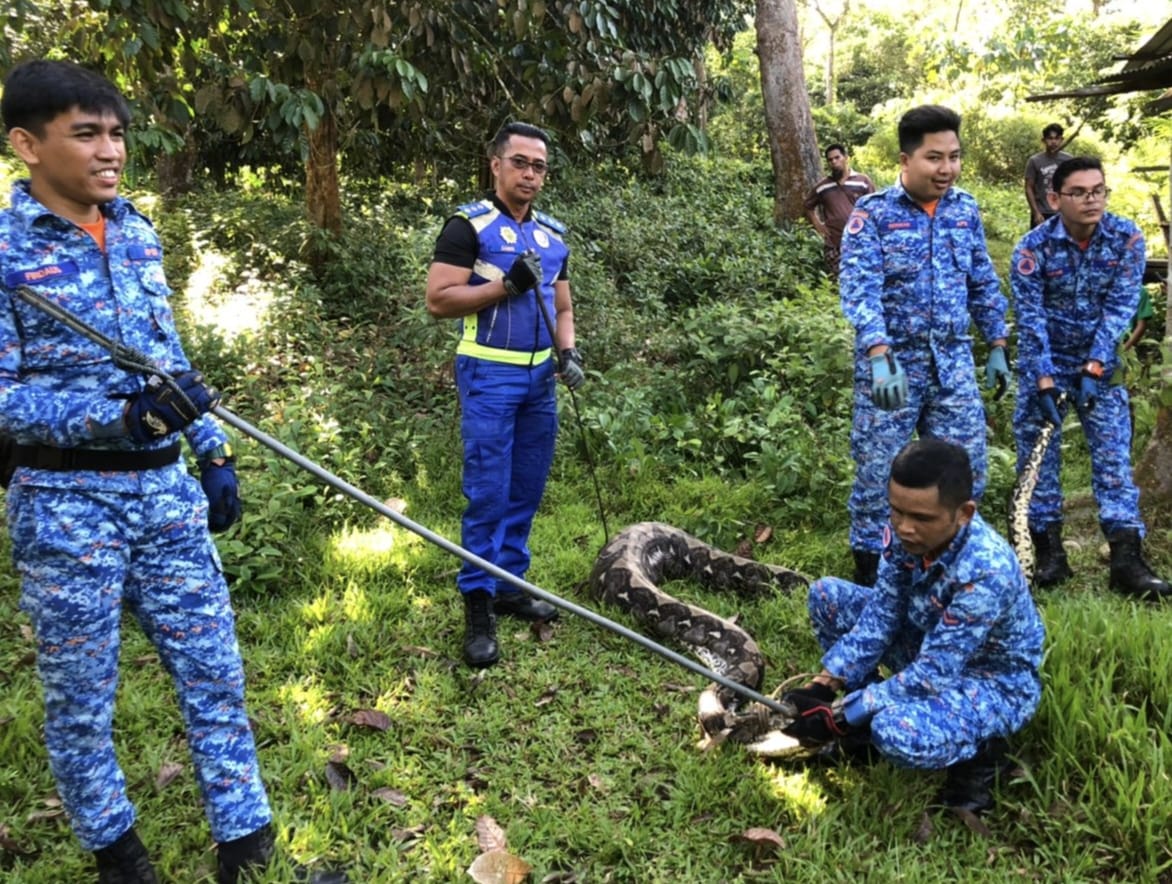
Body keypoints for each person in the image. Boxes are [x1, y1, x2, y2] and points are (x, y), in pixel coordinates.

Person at [0, 60, 345, 884]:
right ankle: (120, 859)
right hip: (65, 501)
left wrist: (213, 450)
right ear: (26, 144)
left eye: (116, 132)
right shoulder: (6, 253)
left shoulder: (137, 232)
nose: (110, 150)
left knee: (214, 672)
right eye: (86, 134)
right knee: (82, 703)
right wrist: (113, 421)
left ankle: (248, 856)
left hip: (164, 494)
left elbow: (170, 361)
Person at [780, 439, 1045, 815]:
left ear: (964, 513)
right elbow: (882, 614)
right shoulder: (910, 537)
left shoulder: (986, 571)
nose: (905, 528)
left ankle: (984, 757)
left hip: (990, 680)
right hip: (925, 644)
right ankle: (859, 733)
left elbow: (933, 673)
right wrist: (825, 685)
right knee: (827, 595)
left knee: (895, 733)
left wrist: (842, 715)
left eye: (921, 518)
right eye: (896, 511)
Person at [425, 122, 584, 668]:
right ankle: (477, 598)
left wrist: (568, 354)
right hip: (489, 376)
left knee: (526, 486)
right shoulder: (468, 226)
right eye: (520, 163)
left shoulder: (553, 237)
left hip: (541, 380)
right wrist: (502, 287)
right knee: (488, 489)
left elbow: (561, 307)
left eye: (539, 167)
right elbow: (440, 299)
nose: (530, 175)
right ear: (496, 164)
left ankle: (509, 583)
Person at [838, 105, 1009, 587]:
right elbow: (859, 288)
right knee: (878, 471)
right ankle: (872, 578)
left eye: (954, 157)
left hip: (952, 365)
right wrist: (877, 351)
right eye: (935, 158)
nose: (947, 169)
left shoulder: (964, 210)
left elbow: (981, 281)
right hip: (890, 368)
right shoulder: (873, 215)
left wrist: (996, 340)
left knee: (964, 468)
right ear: (906, 158)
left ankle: (950, 571)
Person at [1010, 156, 1170, 599]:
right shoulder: (1032, 249)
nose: (1091, 200)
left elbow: (1120, 308)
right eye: (1079, 192)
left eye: (1098, 190)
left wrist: (1095, 365)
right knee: (1039, 461)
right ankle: (1050, 556)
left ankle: (1127, 562)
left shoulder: (1127, 238)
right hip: (1046, 362)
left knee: (1113, 459)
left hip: (1100, 366)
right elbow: (1030, 317)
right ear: (1054, 198)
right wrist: (1043, 378)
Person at [803, 143, 875, 278]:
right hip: (834, 244)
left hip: (860, 242)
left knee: (862, 281)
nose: (834, 162)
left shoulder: (862, 181)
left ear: (845, 157)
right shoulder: (822, 186)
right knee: (840, 283)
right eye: (830, 160)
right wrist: (818, 226)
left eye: (837, 158)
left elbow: (876, 207)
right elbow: (808, 206)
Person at [1024, 123, 1073, 229]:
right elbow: (1028, 187)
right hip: (1042, 212)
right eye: (1050, 138)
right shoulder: (1035, 161)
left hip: (1062, 213)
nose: (1053, 142)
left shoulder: (1068, 160)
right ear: (1044, 140)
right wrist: (1036, 212)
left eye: (1057, 138)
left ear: (1061, 139)